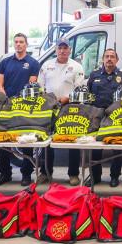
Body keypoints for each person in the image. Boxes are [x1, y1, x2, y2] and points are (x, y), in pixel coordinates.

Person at [36, 39, 85, 185]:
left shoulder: (76, 67)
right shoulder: (46, 65)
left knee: (72, 140)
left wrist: (66, 99)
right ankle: (45, 172)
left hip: (69, 107)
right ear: (56, 50)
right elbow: (40, 86)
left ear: (70, 50)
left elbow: (79, 88)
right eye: (60, 48)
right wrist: (48, 99)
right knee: (46, 140)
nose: (62, 51)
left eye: (65, 48)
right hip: (49, 107)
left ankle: (73, 174)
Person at [0, 34, 40, 186]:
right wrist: (5, 98)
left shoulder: (33, 63)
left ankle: (26, 175)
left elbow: (31, 84)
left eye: (21, 42)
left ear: (26, 44)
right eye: (16, 42)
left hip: (24, 106)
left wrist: (20, 101)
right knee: (4, 140)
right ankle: (4, 173)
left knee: (25, 141)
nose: (18, 44)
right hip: (7, 106)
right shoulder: (5, 62)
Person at [86, 48, 122, 187]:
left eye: (112, 56)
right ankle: (95, 176)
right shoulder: (94, 75)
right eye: (107, 56)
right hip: (97, 115)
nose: (109, 59)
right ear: (103, 59)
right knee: (95, 146)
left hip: (116, 116)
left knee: (116, 146)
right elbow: (88, 95)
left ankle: (115, 176)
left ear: (117, 60)